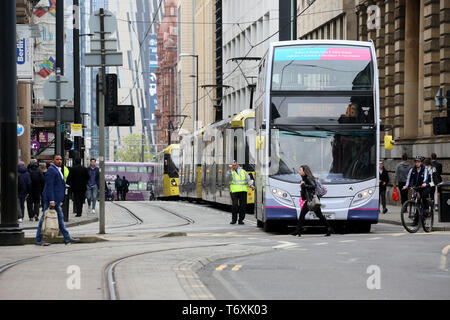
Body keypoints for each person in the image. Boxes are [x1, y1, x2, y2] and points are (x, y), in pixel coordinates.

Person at [35, 155, 80, 246]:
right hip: (52, 200)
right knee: (44, 218)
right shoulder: (52, 170)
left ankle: (67, 238)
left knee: (59, 218)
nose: (59, 161)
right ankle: (38, 239)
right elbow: (49, 186)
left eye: (60, 159)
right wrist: (51, 200)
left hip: (56, 199)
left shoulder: (57, 169)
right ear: (53, 160)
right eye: (57, 159)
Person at [291, 165, 332, 237]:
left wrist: (304, 185)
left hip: (312, 200)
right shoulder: (304, 178)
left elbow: (313, 186)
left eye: (301, 170)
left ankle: (298, 230)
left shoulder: (307, 178)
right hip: (310, 199)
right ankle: (298, 230)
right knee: (315, 215)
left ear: (304, 171)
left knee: (308, 215)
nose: (299, 171)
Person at [226, 161, 254, 225]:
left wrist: (251, 185)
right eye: (233, 165)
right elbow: (228, 179)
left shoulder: (243, 171)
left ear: (237, 165)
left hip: (243, 191)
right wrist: (230, 170)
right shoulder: (230, 172)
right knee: (235, 205)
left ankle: (241, 220)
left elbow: (248, 179)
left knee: (243, 206)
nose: (234, 166)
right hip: (234, 191)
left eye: (235, 165)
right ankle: (234, 220)